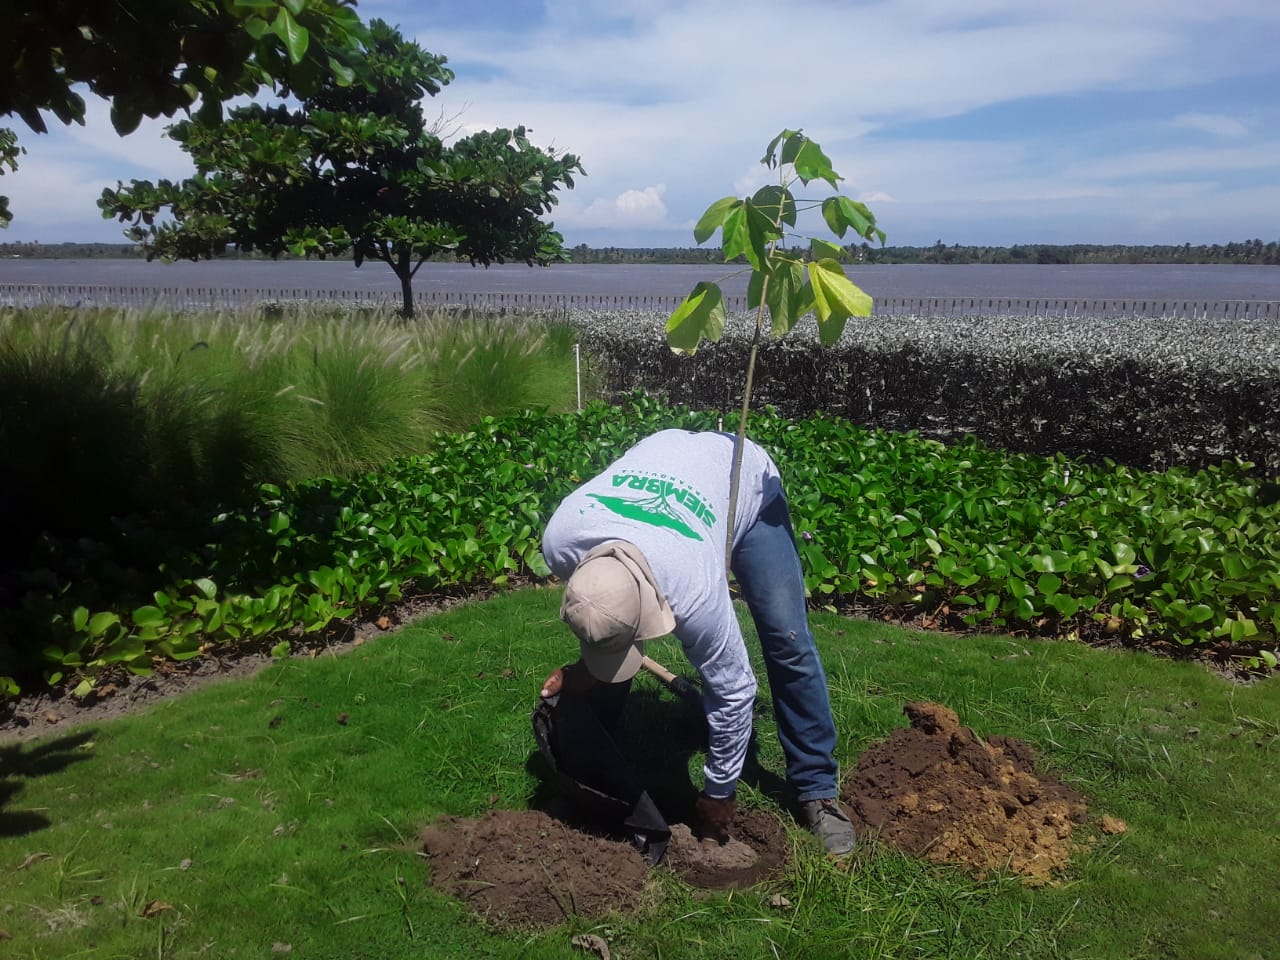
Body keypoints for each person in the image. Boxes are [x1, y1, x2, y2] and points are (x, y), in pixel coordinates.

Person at [537, 428, 855, 856]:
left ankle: (817, 789)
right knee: (612, 626)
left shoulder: (693, 590)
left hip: (742, 480)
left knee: (786, 637)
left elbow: (735, 690)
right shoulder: (563, 540)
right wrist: (586, 670)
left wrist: (719, 792)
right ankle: (599, 775)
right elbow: (610, 609)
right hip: (663, 456)